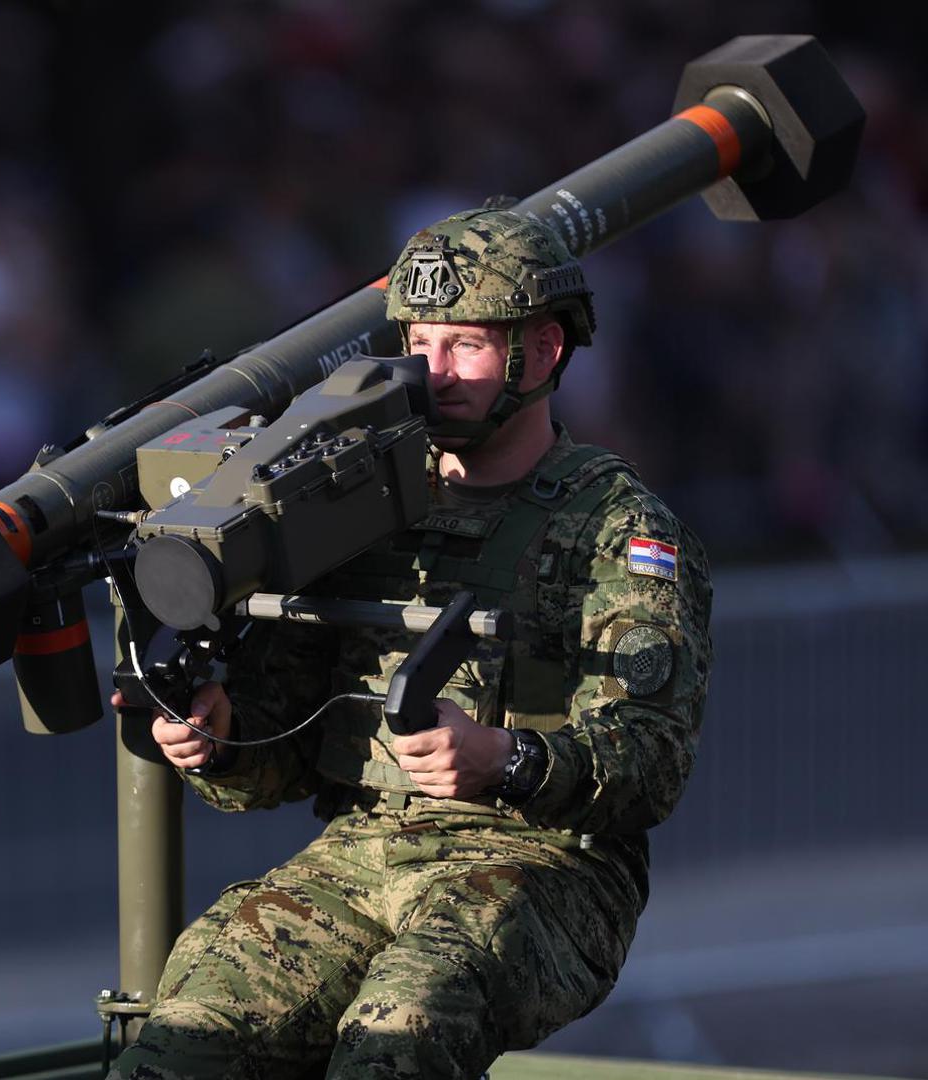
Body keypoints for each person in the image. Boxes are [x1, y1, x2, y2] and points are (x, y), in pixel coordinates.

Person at [107, 207, 714, 1079]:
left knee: (399, 1032)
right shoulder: (357, 502)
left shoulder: (617, 529)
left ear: (543, 350)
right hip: (361, 850)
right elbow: (286, 745)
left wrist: (502, 759)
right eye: (418, 342)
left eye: (464, 344)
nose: (432, 372)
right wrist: (221, 736)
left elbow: (650, 763)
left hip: (546, 863)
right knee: (191, 1034)